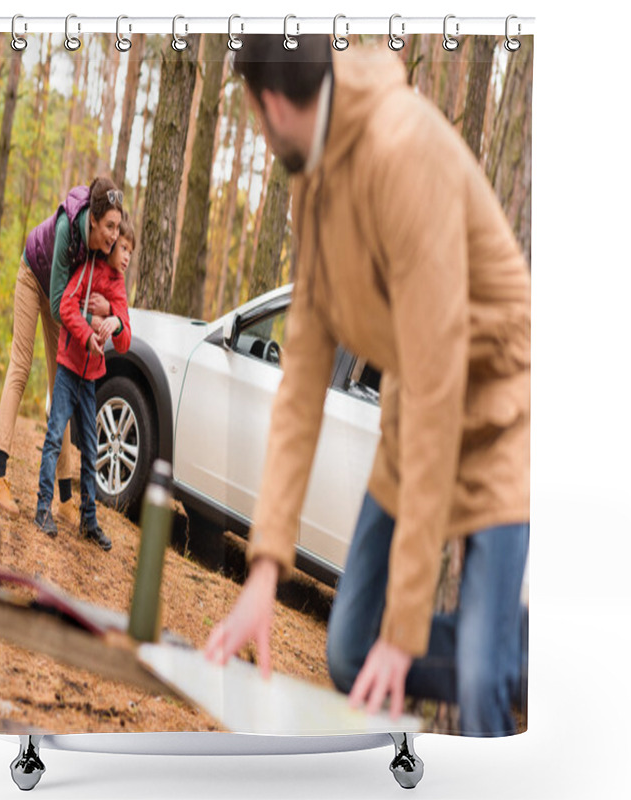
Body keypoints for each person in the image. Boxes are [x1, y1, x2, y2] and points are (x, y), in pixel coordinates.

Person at [204, 37, 531, 736]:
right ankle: (506, 648)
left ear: (270, 107)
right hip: (415, 422)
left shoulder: (403, 154)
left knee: (478, 683)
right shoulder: (314, 174)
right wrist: (264, 568)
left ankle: (529, 656)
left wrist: (407, 627)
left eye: (255, 125)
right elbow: (302, 379)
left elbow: (445, 389)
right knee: (353, 653)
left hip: (496, 419)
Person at [0, 177, 124, 527]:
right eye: (109, 226)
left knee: (59, 383)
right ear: (92, 219)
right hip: (34, 275)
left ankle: (64, 499)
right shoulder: (67, 229)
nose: (113, 235)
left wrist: (108, 309)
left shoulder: (102, 250)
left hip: (60, 299)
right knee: (20, 365)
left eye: (117, 227)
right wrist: (92, 318)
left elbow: (101, 296)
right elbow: (64, 304)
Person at [33, 212, 134, 549]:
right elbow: (65, 305)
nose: (126, 257)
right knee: (54, 436)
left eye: (130, 252)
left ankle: (88, 521)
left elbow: (125, 339)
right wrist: (90, 328)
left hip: (91, 379)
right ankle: (43, 508)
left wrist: (114, 321)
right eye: (123, 248)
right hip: (68, 369)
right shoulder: (88, 268)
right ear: (109, 246)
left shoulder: (118, 287)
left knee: (91, 451)